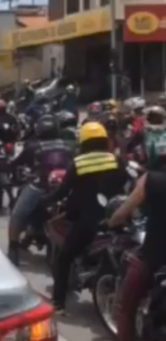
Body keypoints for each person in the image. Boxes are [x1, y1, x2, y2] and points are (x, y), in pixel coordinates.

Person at [43, 121, 128, 315]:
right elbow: (125, 182)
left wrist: (44, 200)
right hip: (116, 217)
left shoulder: (79, 163)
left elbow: (63, 191)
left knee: (64, 258)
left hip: (87, 221)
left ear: (83, 141)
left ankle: (58, 303)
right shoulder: (115, 160)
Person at [109, 134, 166, 341]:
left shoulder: (150, 179)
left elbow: (123, 212)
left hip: (154, 258)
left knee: (126, 306)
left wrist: (112, 221)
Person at [6, 112, 72, 266]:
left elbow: (16, 162)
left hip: (40, 187)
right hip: (64, 189)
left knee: (17, 215)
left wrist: (10, 168)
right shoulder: (68, 145)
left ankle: (13, 250)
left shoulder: (33, 146)